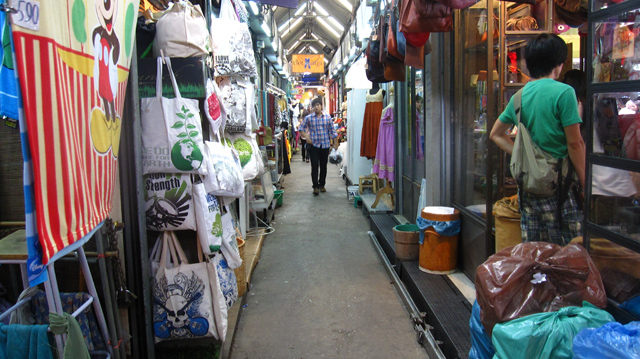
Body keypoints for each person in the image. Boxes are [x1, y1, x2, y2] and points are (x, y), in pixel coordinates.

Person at [489, 33, 585, 245]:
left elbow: (496, 134)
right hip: (559, 187)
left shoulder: (519, 97)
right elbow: (575, 143)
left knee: (534, 251)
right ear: (558, 64)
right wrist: (585, 181)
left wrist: (523, 154)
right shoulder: (564, 93)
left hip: (529, 187)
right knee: (569, 251)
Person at [564, 69, 639, 231]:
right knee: (611, 227)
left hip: (597, 179)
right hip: (614, 178)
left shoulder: (576, 105)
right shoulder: (600, 105)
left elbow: (576, 143)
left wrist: (583, 184)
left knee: (596, 231)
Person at [299, 97, 338, 195]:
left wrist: (335, 144)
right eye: (314, 106)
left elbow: (332, 131)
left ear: (321, 106)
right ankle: (315, 186)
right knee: (314, 166)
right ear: (312, 108)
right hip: (314, 146)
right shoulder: (309, 118)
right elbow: (301, 129)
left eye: (318, 105)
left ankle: (322, 185)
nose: (316, 107)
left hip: (325, 145)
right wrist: (307, 138)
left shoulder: (327, 117)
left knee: (324, 166)